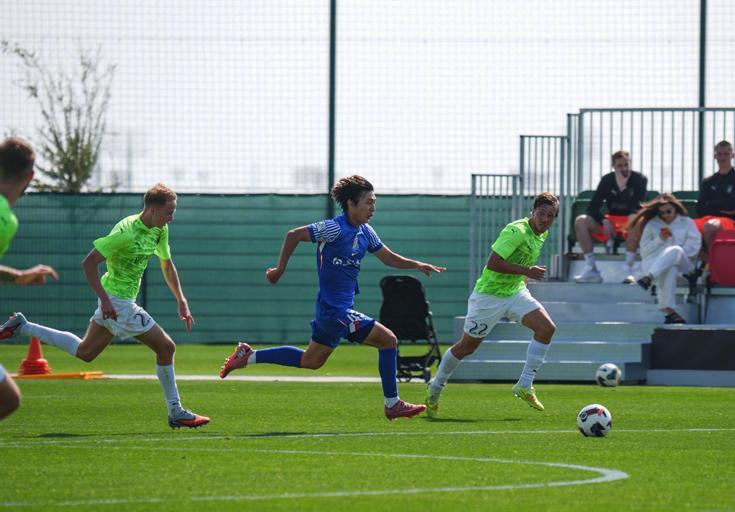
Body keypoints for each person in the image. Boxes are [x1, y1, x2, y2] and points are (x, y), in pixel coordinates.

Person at [219, 175, 445, 421]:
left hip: (335, 310)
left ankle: (248, 356)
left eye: (375, 202)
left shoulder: (366, 232)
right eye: (368, 202)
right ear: (351, 203)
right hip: (335, 310)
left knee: (311, 360)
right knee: (388, 340)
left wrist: (417, 264)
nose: (373, 208)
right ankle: (392, 404)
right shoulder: (334, 228)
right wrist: (279, 269)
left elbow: (388, 257)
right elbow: (294, 235)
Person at [0, 183, 209, 429]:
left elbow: (167, 263)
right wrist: (107, 300)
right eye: (169, 212)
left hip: (118, 300)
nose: (171, 218)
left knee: (86, 352)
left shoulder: (159, 229)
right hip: (118, 302)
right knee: (166, 347)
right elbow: (89, 263)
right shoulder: (125, 233)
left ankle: (23, 326)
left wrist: (181, 300)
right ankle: (176, 411)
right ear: (153, 210)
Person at [425, 192, 560, 417]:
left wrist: (524, 279)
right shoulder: (516, 231)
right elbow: (493, 263)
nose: (545, 219)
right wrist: (527, 271)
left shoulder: (541, 234)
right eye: (542, 213)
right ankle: (435, 387)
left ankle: (525, 384)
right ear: (533, 211)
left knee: (546, 328)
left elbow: (523, 260)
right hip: (489, 296)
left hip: (515, 292)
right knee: (467, 347)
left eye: (551, 216)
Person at [0, 137, 59, 421]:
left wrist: (20, 277)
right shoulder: (5, 219)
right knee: (7, 400)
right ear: (31, 175)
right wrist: (21, 277)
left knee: (8, 399)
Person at [573, 150, 648, 284]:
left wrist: (623, 188)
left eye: (626, 164)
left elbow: (637, 206)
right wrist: (604, 220)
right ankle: (591, 268)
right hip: (611, 221)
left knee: (635, 219)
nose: (624, 168)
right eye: (620, 165)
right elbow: (593, 207)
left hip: (630, 222)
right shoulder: (607, 180)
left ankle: (628, 270)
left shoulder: (640, 179)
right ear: (613, 166)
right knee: (581, 221)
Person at [632, 193, 701, 324]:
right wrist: (659, 239)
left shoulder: (687, 222)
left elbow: (694, 245)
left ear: (675, 208)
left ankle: (648, 278)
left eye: (668, 211)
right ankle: (670, 313)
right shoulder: (652, 224)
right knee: (670, 269)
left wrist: (673, 254)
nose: (665, 215)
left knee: (675, 250)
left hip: (683, 262)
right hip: (655, 263)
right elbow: (644, 251)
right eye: (662, 213)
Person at [695, 141, 735, 250]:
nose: (722, 157)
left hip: (732, 221)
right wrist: (722, 206)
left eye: (726, 154)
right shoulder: (708, 181)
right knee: (686, 226)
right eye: (719, 154)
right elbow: (700, 208)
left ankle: (714, 259)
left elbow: (731, 205)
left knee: (710, 226)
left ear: (732, 155)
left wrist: (710, 204)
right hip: (708, 218)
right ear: (715, 156)